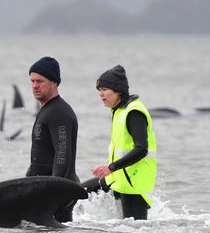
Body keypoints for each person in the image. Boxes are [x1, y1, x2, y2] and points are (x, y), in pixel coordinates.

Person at [83, 65, 157, 220]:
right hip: (117, 178)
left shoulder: (134, 112)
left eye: (104, 89)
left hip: (134, 185)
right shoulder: (119, 111)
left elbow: (142, 149)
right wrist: (112, 170)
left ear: (118, 91)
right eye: (99, 90)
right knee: (78, 192)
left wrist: (111, 167)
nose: (100, 94)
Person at [26, 56, 79, 222]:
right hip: (47, 189)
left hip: (57, 193)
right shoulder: (47, 109)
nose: (35, 86)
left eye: (40, 81)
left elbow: (62, 153)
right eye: (32, 81)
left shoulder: (59, 112)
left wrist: (54, 190)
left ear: (54, 82)